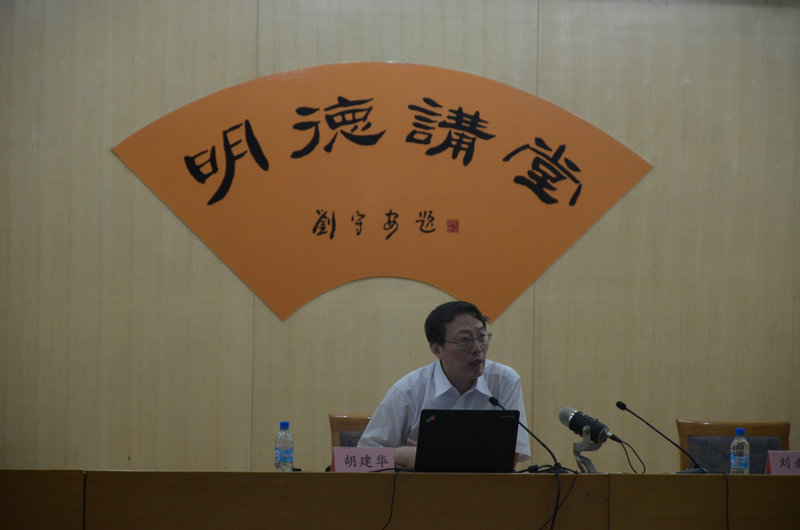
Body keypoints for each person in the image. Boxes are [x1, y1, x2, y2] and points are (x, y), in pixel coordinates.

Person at [358, 300, 531, 469]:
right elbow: (356, 461)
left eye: (481, 337)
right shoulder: (408, 391)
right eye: (464, 340)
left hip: (484, 487)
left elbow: (509, 458)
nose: (478, 349)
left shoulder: (504, 381)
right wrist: (400, 455)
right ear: (436, 349)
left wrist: (432, 457)